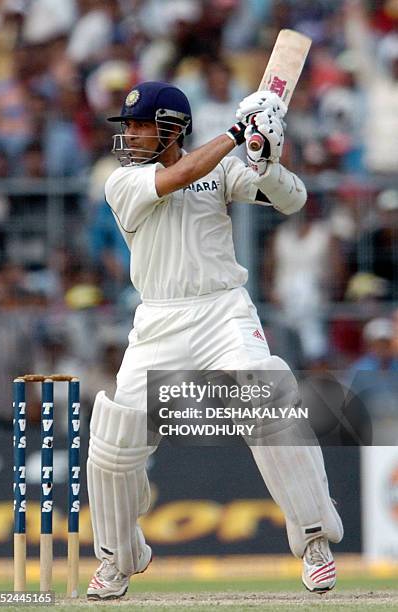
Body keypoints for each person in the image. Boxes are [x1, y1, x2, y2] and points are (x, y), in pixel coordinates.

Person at [86, 80, 343, 600]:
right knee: (114, 442)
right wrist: (236, 131)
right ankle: (119, 557)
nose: (130, 134)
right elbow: (183, 173)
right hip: (157, 320)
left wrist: (266, 154)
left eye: (140, 125)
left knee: (267, 391)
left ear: (172, 127)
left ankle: (314, 540)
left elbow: (292, 200)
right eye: (127, 126)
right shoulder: (124, 182)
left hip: (222, 309)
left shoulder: (223, 167)